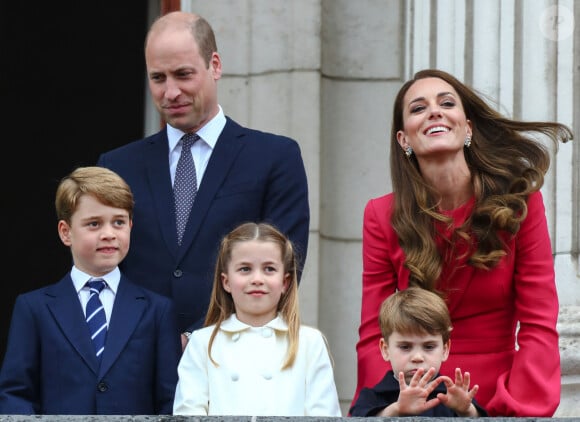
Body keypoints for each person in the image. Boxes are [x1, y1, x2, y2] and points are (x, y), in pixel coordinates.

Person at [352, 69, 573, 417]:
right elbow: (373, 331)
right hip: (416, 391)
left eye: (446, 103)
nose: (434, 112)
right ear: (404, 139)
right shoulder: (381, 215)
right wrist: (389, 406)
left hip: (497, 396)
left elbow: (538, 321)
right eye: (418, 108)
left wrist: (520, 408)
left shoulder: (520, 204)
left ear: (467, 127)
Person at [96, 11, 310, 346]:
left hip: (238, 357)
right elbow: (100, 265)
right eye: (158, 78)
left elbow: (284, 264)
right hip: (137, 361)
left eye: (183, 75)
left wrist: (200, 336)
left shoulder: (275, 157)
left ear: (215, 66)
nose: (170, 92)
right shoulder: (117, 166)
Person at [0, 166, 181, 414]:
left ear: (130, 225)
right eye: (94, 224)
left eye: (118, 222)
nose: (108, 234)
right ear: (66, 232)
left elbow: (169, 399)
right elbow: (15, 393)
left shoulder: (158, 310)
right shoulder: (34, 308)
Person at [172, 222, 341, 416]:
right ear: (226, 282)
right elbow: (189, 413)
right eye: (245, 269)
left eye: (269, 269)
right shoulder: (202, 343)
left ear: (285, 282)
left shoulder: (309, 342)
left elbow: (324, 416)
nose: (257, 279)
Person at [350, 287, 487, 417]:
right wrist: (396, 409)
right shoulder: (372, 397)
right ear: (385, 349)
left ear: (445, 350)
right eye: (405, 347)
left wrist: (467, 411)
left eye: (428, 347)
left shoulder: (453, 396)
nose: (417, 357)